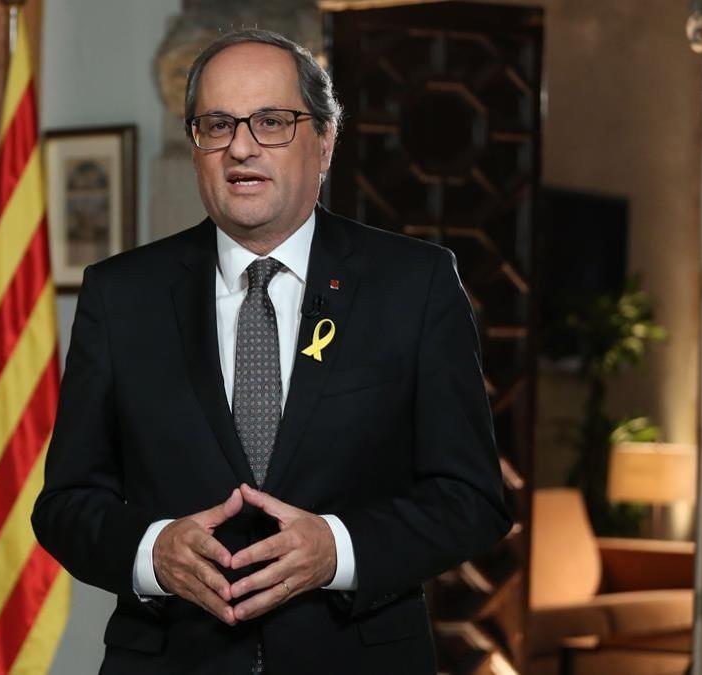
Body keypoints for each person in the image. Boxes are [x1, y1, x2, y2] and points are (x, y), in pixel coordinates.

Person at [32, 28, 511, 674]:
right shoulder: (122, 296)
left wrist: (338, 549)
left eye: (272, 121)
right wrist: (152, 552)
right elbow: (64, 504)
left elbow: (473, 499)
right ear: (196, 143)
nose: (242, 147)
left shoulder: (413, 285)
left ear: (326, 140)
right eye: (218, 124)